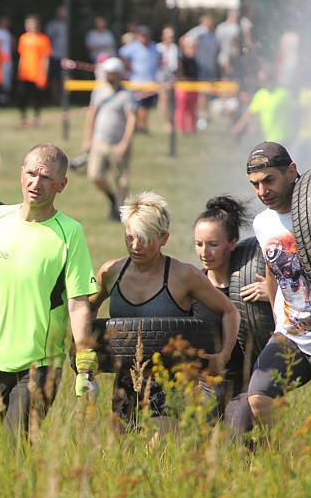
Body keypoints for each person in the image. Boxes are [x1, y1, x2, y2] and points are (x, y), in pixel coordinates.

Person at [0, 144, 98, 436]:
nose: (36, 184)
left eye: (46, 178)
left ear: (62, 184)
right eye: (31, 174)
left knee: (14, 447)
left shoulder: (69, 233)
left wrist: (85, 366)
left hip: (39, 364)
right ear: (21, 175)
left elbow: (78, 303)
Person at [89, 192, 239, 434]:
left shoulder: (183, 275)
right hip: (125, 379)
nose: (135, 246)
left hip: (172, 381)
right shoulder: (111, 272)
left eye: (145, 239)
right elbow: (86, 308)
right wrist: (86, 349)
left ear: (163, 239)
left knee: (159, 450)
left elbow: (229, 311)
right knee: (122, 454)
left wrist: (223, 355)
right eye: (130, 237)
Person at [245, 142, 311, 430]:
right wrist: (278, 322)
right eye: (255, 184)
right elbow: (274, 271)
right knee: (258, 398)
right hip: (294, 337)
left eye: (269, 180)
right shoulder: (263, 224)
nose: (262, 191)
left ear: (292, 171)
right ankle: (280, 467)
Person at [193, 195, 267, 435]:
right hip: (206, 386)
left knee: (236, 444)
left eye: (213, 244)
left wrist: (273, 293)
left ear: (233, 243)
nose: (205, 252)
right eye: (199, 244)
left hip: (245, 387)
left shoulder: (254, 286)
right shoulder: (191, 288)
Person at [83, 57, 136, 221]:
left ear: (119, 74)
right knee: (94, 175)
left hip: (118, 144)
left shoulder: (126, 95)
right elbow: (91, 115)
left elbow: (131, 119)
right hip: (99, 142)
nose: (108, 75)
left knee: (121, 181)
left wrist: (125, 143)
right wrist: (87, 139)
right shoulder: (99, 92)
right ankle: (111, 198)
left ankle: (119, 212)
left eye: (111, 73)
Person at [231, 65, 297, 144]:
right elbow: (249, 113)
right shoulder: (260, 95)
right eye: (262, 81)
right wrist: (238, 127)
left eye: (266, 80)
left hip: (285, 138)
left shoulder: (283, 94)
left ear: (272, 78)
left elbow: (295, 112)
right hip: (269, 140)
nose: (264, 83)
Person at [182, 14, 218, 128]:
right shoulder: (199, 32)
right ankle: (201, 115)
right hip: (200, 67)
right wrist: (190, 51)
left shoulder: (213, 34)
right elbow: (183, 40)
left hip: (209, 67)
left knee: (207, 92)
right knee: (202, 92)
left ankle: (204, 115)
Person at [17, 15, 51, 127]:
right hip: (25, 74)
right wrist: (20, 70)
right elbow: (22, 56)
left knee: (38, 97)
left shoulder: (43, 39)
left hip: (37, 73)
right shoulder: (23, 38)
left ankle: (37, 118)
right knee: (23, 96)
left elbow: (45, 58)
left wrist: (43, 74)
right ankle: (24, 118)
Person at [174, 37, 200, 135]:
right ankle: (181, 129)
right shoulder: (182, 59)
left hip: (194, 87)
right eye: (191, 47)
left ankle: (192, 128)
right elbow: (179, 72)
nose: (193, 50)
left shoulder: (195, 60)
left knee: (192, 108)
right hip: (183, 88)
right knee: (182, 108)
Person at [156, 26, 179, 133]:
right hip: (162, 75)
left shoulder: (175, 48)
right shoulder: (158, 48)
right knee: (164, 98)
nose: (170, 37)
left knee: (172, 100)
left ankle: (172, 121)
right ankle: (166, 122)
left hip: (173, 75)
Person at [45, 6, 67, 104]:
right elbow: (47, 39)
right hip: (54, 55)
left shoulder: (67, 25)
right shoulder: (52, 25)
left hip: (65, 56)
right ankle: (55, 99)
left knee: (64, 78)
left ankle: (63, 99)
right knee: (54, 78)